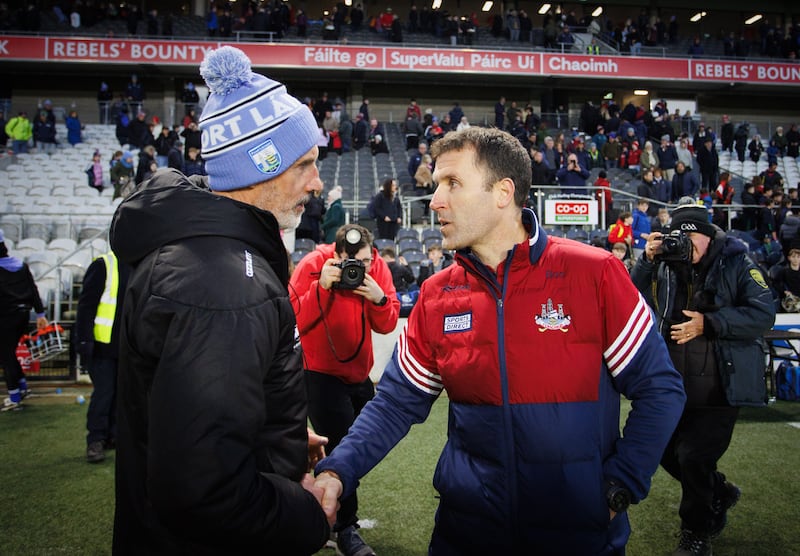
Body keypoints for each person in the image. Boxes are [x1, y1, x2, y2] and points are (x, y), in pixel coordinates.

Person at [313, 127, 686, 555]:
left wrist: (619, 485)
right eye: (436, 185)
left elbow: (660, 389)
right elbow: (396, 402)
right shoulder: (437, 296)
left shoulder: (595, 274)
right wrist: (338, 471)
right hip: (466, 534)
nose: (435, 200)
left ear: (503, 192)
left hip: (579, 537)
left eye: (452, 184)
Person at [108, 46, 335, 554]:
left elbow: (206, 416)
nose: (317, 184)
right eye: (305, 165)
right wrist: (307, 514)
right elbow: (205, 493)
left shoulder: (218, 259)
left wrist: (282, 435)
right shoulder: (223, 288)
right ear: (262, 164)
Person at [631, 201, 775, 556]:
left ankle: (696, 533)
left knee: (694, 458)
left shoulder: (737, 261)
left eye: (690, 235)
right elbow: (629, 292)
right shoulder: (665, 264)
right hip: (675, 385)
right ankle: (720, 492)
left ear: (707, 235)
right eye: (677, 236)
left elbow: (763, 313)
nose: (684, 244)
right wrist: (647, 260)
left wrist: (709, 323)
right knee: (664, 453)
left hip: (719, 388)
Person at [289, 223, 399, 556]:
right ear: (336, 255)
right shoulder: (313, 264)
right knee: (339, 446)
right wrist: (321, 287)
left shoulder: (377, 267)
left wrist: (378, 298)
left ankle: (322, 513)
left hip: (358, 373)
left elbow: (388, 324)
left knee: (361, 443)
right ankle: (345, 528)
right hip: (319, 372)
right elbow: (293, 318)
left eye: (365, 261)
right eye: (352, 263)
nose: (359, 269)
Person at [75, 251, 131, 463]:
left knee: (121, 394)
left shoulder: (138, 264)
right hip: (101, 345)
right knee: (105, 393)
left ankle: (114, 436)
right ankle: (96, 440)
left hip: (126, 346)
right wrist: (84, 340)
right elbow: (86, 306)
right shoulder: (103, 264)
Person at [1, 229, 48, 412]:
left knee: (6, 356)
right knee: (9, 354)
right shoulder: (20, 265)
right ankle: (21, 387)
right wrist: (41, 314)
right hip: (23, 316)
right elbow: (33, 289)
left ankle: (14, 396)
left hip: (5, 318)